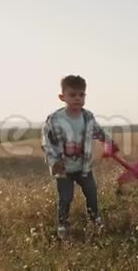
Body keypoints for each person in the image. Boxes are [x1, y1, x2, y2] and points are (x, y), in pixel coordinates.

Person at [41, 75, 119, 239]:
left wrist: (109, 143)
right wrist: (54, 161)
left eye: (81, 95)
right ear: (62, 97)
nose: (78, 98)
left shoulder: (87, 117)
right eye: (73, 95)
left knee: (91, 193)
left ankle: (95, 219)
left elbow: (98, 132)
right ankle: (62, 224)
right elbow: (47, 142)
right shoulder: (55, 120)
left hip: (84, 167)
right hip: (64, 169)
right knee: (65, 197)